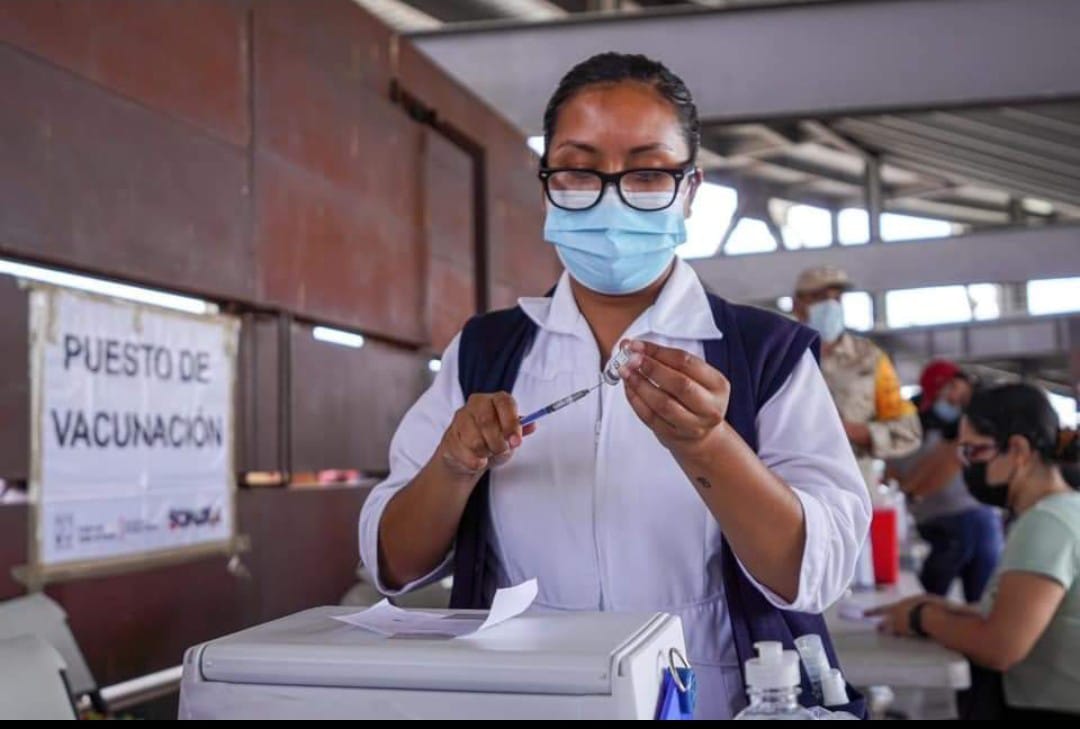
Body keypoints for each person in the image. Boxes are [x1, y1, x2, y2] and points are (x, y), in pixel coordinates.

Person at [359, 52, 870, 719]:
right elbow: (390, 563)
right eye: (578, 167)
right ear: (547, 186)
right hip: (527, 700)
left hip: (716, 697)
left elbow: (818, 572)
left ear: (689, 189)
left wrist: (709, 446)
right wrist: (454, 465)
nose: (610, 194)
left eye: (649, 170)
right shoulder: (487, 352)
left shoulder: (763, 355)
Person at [872, 384, 1080, 719]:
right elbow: (1036, 617)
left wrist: (921, 618)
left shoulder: (1047, 522)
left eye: (973, 452)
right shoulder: (1065, 509)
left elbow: (1000, 648)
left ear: (1017, 449)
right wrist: (952, 611)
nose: (966, 466)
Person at [793, 266, 922, 491]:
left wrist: (855, 432)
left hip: (855, 487)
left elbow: (908, 429)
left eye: (836, 298)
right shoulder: (779, 355)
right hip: (793, 484)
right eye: (819, 298)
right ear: (798, 305)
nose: (830, 305)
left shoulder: (870, 359)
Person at [888, 360, 1003, 601]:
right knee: (962, 585)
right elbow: (933, 463)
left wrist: (915, 491)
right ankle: (927, 610)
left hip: (975, 513)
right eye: (946, 398)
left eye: (952, 394)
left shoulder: (983, 410)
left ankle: (927, 610)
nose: (950, 401)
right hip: (956, 517)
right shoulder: (936, 421)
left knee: (978, 589)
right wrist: (911, 489)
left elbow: (951, 461)